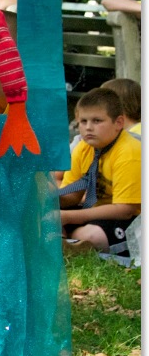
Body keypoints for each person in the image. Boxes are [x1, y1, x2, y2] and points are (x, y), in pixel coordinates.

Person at [59, 88, 140, 254]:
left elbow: (125, 210)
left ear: (118, 123)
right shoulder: (83, 148)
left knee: (93, 235)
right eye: (83, 121)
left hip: (133, 219)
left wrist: (66, 217)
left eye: (97, 121)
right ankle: (71, 243)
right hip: (96, 212)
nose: (88, 128)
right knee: (44, 219)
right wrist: (45, 202)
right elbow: (73, 195)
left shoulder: (130, 152)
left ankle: (71, 242)